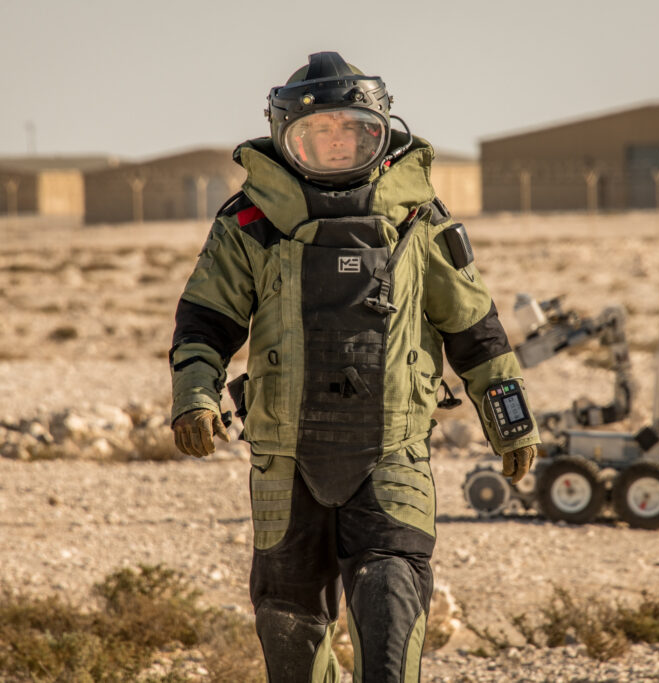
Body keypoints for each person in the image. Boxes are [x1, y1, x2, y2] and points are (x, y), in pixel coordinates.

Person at [169, 51, 541, 683]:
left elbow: (476, 330)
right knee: (291, 630)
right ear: (285, 139)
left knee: (392, 620)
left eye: (350, 131)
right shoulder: (249, 224)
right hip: (285, 462)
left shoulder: (419, 220)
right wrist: (194, 398)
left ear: (379, 131)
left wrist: (511, 420)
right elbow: (205, 324)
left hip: (393, 454)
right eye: (316, 135)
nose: (335, 145)